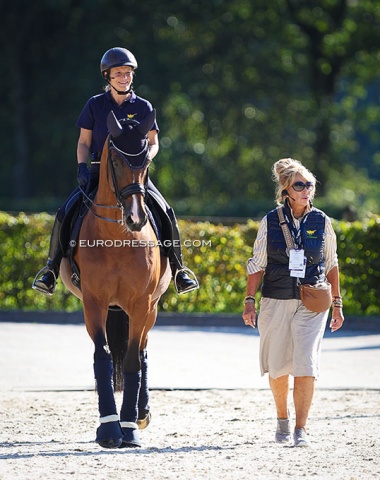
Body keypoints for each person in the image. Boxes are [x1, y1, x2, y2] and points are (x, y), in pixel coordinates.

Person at [33, 47, 199, 296]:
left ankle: (179, 270)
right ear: (107, 76)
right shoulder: (95, 105)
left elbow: (154, 143)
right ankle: (51, 269)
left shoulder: (143, 106)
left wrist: (145, 160)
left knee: (165, 211)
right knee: (65, 211)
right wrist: (81, 167)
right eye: (119, 73)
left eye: (128, 73)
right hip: (99, 173)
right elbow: (83, 142)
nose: (124, 77)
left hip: (134, 174)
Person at [242, 158, 344, 447]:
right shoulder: (270, 220)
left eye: (309, 185)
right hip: (275, 299)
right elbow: (257, 264)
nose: (305, 190)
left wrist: (337, 303)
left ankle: (301, 428)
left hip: (312, 302)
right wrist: (250, 301)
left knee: (306, 363)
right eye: (299, 185)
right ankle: (282, 420)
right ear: (286, 189)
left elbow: (332, 263)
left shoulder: (322, 221)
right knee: (277, 366)